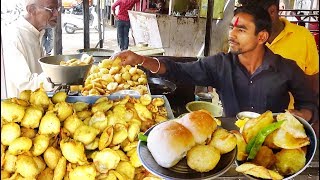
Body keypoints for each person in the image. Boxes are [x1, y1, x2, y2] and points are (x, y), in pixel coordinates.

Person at [111, 5, 317, 122]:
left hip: (270, 148)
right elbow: (178, 70)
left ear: (261, 36)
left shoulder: (286, 68)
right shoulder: (220, 65)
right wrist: (141, 60)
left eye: (241, 30)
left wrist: (304, 115)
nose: (231, 34)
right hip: (230, 146)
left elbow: (309, 102)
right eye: (231, 28)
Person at [238, 0, 319, 110]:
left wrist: (310, 114)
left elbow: (313, 82)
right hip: (247, 117)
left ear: (272, 11)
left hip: (288, 119)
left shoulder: (303, 37)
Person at [2, 0, 59, 98]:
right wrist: (62, 74)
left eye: (57, 9)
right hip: (18, 108)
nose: (56, 13)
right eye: (51, 9)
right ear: (32, 10)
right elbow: (25, 85)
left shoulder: (36, 33)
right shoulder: (13, 37)